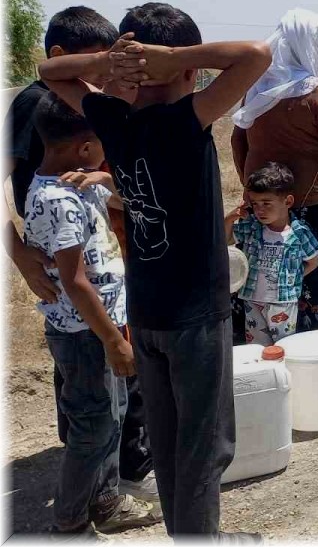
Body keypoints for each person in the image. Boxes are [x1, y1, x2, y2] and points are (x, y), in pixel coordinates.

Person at [39, 1, 271, 540]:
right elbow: (257, 55)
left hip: (146, 316)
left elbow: (48, 71)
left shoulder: (111, 119)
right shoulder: (183, 120)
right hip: (197, 317)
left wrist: (108, 65)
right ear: (184, 70)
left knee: (166, 443)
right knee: (203, 448)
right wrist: (172, 58)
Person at [1, 6, 157, 503]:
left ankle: (109, 471)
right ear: (60, 57)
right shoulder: (38, 103)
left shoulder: (91, 102)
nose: (104, 77)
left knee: (111, 381)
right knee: (94, 374)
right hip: (70, 270)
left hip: (99, 261)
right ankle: (96, 484)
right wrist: (18, 252)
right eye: (95, 65)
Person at [24, 96, 162, 536]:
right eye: (103, 145)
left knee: (111, 418)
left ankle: (105, 499)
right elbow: (75, 281)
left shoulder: (78, 183)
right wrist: (114, 341)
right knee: (92, 428)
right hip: (87, 335)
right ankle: (69, 522)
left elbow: (129, 198)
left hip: (99, 326)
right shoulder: (59, 199)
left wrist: (104, 176)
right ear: (84, 146)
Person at [231, 9, 318, 332]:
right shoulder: (315, 90)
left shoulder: (257, 87)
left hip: (263, 206)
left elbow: (237, 140)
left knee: (264, 280)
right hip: (310, 206)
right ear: (308, 45)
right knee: (310, 281)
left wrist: (253, 190)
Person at [225, 163, 318, 346]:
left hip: (283, 301)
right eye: (255, 204)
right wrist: (230, 219)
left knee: (283, 346)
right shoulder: (252, 227)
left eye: (266, 203)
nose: (259, 210)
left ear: (288, 202)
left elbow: (313, 262)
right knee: (256, 347)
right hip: (253, 299)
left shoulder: (299, 232)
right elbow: (226, 239)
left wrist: (293, 279)